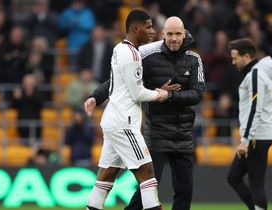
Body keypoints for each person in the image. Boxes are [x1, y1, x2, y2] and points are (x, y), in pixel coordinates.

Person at [85, 16, 205, 210]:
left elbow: (197, 94)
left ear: (185, 34)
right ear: (163, 35)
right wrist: (97, 96)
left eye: (178, 34)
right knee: (147, 178)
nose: (174, 38)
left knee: (183, 191)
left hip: (183, 134)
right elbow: (125, 84)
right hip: (153, 131)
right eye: (169, 34)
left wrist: (168, 95)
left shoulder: (193, 59)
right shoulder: (144, 55)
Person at [84, 10, 167, 210]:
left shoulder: (119, 49)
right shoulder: (131, 54)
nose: (152, 31)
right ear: (136, 29)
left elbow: (116, 83)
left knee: (106, 176)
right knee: (147, 174)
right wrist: (159, 94)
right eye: (148, 27)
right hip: (124, 123)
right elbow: (137, 93)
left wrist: (96, 96)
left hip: (113, 121)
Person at [226, 38, 272, 210]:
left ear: (246, 56)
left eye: (235, 58)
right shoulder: (257, 73)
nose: (233, 62)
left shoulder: (256, 74)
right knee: (233, 177)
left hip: (257, 136)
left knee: (256, 183)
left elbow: (256, 108)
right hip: (260, 134)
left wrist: (245, 140)